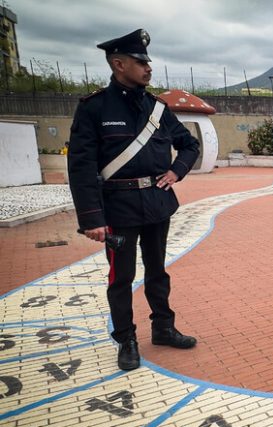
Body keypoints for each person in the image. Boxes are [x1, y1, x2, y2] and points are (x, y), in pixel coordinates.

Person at [67, 29, 200, 371]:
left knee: (158, 271)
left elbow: (189, 145)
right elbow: (81, 166)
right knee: (121, 277)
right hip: (117, 208)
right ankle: (126, 338)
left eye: (147, 62)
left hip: (157, 204)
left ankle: (163, 328)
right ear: (118, 63)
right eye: (140, 62)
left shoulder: (157, 109)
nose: (148, 68)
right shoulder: (94, 108)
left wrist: (176, 172)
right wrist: (92, 219)